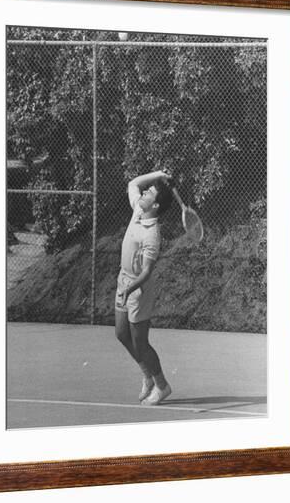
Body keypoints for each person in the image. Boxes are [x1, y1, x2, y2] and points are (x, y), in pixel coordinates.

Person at [115, 170, 173, 405]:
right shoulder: (138, 210)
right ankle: (147, 374)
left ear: (155, 204)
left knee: (140, 341)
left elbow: (147, 272)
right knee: (121, 334)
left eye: (150, 192)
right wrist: (159, 173)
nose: (144, 191)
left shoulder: (152, 235)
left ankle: (162, 386)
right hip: (123, 280)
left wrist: (130, 289)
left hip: (139, 289)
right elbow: (133, 182)